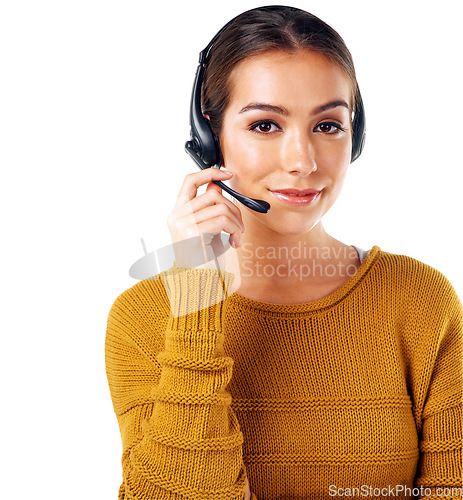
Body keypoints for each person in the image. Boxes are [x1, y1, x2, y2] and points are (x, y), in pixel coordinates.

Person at [105, 6, 462, 499]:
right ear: (211, 138)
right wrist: (197, 311)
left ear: (355, 134)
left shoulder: (419, 301)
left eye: (328, 125)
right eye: (266, 126)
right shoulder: (146, 317)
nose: (302, 162)